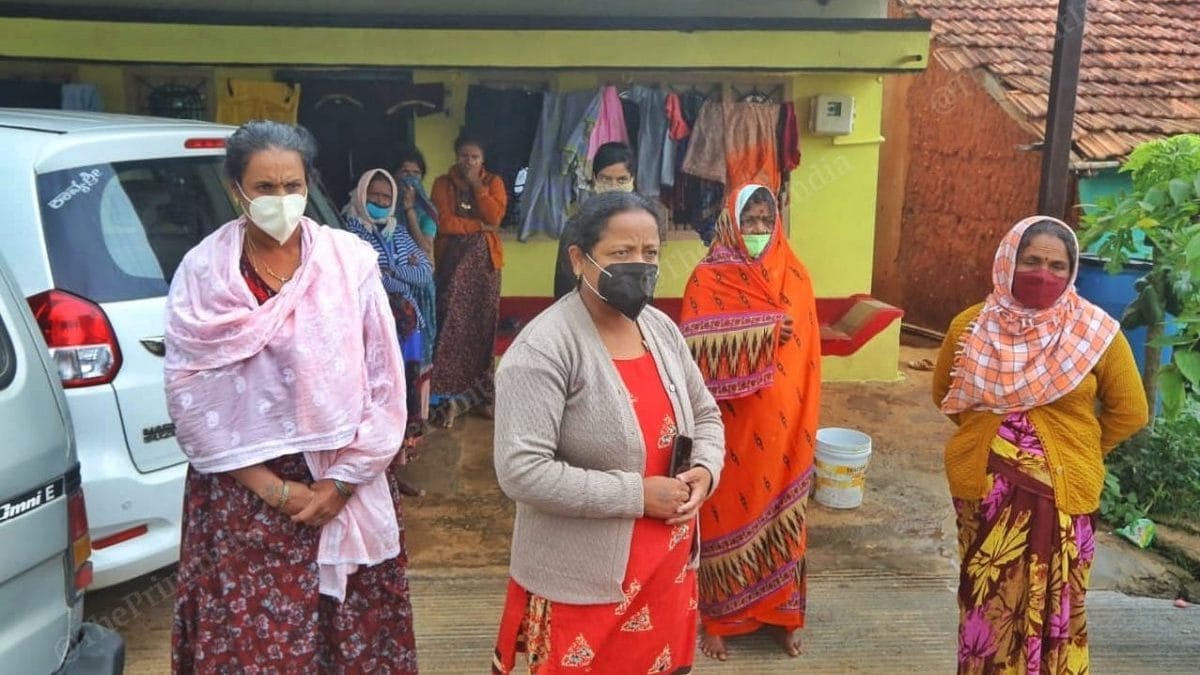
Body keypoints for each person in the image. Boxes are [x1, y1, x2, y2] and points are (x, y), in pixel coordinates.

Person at [164, 120, 418, 673]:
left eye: (293, 187)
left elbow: (384, 379)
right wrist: (275, 491)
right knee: (250, 647)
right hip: (243, 497)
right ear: (236, 190)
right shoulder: (203, 274)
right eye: (265, 188)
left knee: (350, 639)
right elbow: (190, 397)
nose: (281, 201)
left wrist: (341, 484)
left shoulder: (348, 262)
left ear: (309, 186)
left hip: (342, 485)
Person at [492, 191, 726, 673]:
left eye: (650, 253)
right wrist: (638, 496)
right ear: (579, 259)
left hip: (667, 572)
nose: (639, 266)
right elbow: (522, 473)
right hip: (583, 582)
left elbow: (706, 414)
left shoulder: (660, 330)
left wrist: (705, 468)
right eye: (621, 254)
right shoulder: (543, 349)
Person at [933, 216, 1149, 673]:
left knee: (1062, 608)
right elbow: (948, 396)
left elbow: (1131, 411)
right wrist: (998, 436)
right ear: (1008, 262)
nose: (1043, 274)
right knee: (986, 602)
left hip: (1066, 490)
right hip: (984, 491)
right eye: (1031, 261)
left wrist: (1082, 450)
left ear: (1071, 272)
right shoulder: (971, 326)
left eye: (1056, 264)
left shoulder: (1096, 334)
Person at [679, 184, 822, 661]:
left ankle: (782, 615)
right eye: (750, 221)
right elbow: (691, 349)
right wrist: (760, 332)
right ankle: (717, 619)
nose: (758, 230)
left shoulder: (796, 274)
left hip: (786, 425)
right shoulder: (707, 278)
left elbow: (809, 357)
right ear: (730, 223)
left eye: (766, 220)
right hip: (731, 428)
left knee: (785, 510)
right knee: (724, 513)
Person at [342, 168, 436, 456]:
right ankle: (381, 455)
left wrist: (391, 269)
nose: (381, 202)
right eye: (375, 195)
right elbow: (369, 276)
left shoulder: (398, 230)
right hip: (373, 327)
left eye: (386, 197)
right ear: (362, 195)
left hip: (409, 325)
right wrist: (398, 271)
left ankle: (403, 452)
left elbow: (426, 273)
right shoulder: (349, 231)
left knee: (407, 387)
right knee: (379, 390)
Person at [430, 132, 508, 427]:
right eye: (464, 155)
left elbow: (496, 218)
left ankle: (479, 398)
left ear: (482, 160)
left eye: (474, 157)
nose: (468, 161)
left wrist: (477, 186)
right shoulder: (443, 183)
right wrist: (478, 226)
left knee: (482, 326)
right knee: (451, 326)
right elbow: (444, 222)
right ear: (456, 156)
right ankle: (442, 398)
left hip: (486, 271)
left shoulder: (493, 183)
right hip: (452, 265)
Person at [553, 141, 637, 299]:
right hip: (585, 310)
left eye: (621, 180)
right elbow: (564, 280)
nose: (613, 186)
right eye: (605, 179)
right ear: (594, 178)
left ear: (632, 179)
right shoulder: (578, 225)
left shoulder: (643, 223)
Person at [393, 146, 438, 260]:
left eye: (416, 173)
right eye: (405, 172)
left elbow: (426, 247)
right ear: (394, 175)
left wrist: (409, 210)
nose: (411, 178)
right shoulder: (384, 201)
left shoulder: (427, 209)